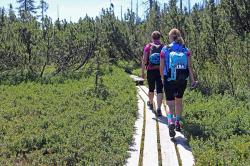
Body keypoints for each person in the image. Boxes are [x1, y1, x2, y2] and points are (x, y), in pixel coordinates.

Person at [160, 28, 198, 137]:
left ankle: (170, 121)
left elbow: (162, 67)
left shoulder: (165, 49)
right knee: (179, 101)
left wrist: (163, 78)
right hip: (182, 80)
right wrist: (192, 80)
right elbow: (189, 66)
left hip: (169, 79)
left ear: (171, 37)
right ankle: (177, 122)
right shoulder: (186, 50)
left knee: (169, 103)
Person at [141, 31, 164, 116]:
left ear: (152, 37)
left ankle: (150, 103)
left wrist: (142, 72)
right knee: (159, 90)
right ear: (159, 37)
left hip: (150, 70)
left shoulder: (148, 46)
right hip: (161, 71)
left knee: (151, 88)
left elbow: (144, 60)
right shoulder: (163, 47)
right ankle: (158, 108)